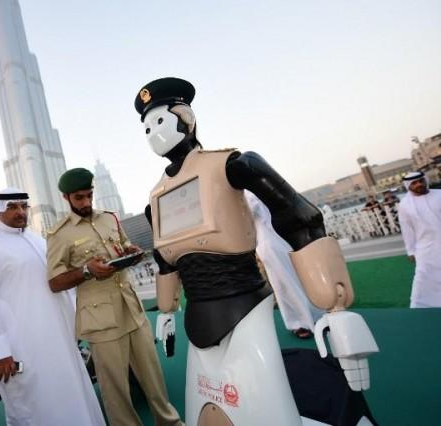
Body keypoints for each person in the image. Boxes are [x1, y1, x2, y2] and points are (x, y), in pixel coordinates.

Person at [135, 77, 378, 425]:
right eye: (146, 128)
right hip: (197, 316)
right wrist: (168, 311)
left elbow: (301, 218)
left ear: (185, 118)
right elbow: (164, 260)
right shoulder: (157, 198)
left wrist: (336, 308)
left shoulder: (231, 164)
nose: (153, 132)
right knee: (204, 402)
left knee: (265, 402)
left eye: (159, 121)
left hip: (244, 304)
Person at [0, 187, 105, 426]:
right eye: (12, 207)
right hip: (20, 347)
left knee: (71, 394)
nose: (20, 212)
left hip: (58, 339)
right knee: (34, 405)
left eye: (23, 206)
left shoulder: (36, 239)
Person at [46, 168, 182, 426]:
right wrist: (87, 271)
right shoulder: (59, 235)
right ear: (66, 198)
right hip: (101, 321)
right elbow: (54, 282)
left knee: (154, 379)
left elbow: (123, 244)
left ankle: (171, 424)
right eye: (79, 198)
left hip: (131, 309)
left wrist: (131, 250)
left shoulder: (109, 218)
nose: (86, 202)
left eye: (89, 195)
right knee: (116, 391)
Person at [245, 191, 323, 339]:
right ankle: (301, 321)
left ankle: (313, 317)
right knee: (283, 284)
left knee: (292, 280)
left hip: (278, 239)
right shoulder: (248, 193)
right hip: (269, 241)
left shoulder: (251, 192)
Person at [397, 171, 441, 308]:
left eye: (421, 181)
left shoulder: (439, 194)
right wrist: (410, 250)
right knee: (422, 277)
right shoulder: (404, 205)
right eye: (414, 183)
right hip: (425, 247)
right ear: (408, 186)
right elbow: (407, 228)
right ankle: (421, 306)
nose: (419, 184)